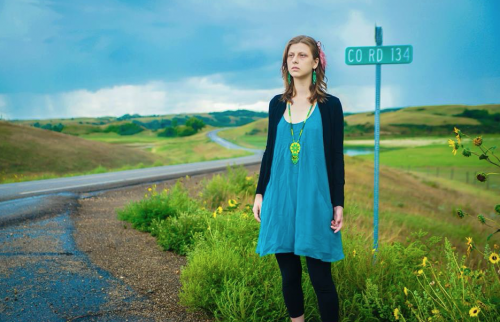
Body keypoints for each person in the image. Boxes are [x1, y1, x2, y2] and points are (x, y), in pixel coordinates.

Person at [252, 35, 345, 322]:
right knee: (289, 275)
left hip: (314, 201)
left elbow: (335, 157)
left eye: (302, 55)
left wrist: (338, 203)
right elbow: (270, 152)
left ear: (316, 62)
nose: (295, 60)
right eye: (291, 55)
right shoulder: (277, 104)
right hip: (280, 199)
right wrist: (259, 194)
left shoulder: (331, 106)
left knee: (321, 279)